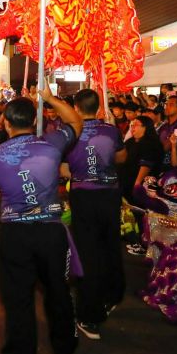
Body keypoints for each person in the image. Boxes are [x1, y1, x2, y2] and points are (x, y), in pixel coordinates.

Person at [0, 87, 82, 354]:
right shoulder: (51, 144)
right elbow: (76, 123)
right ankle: (65, 345)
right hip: (50, 231)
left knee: (18, 301)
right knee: (58, 292)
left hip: (16, 233)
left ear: (6, 123)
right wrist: (51, 99)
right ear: (34, 119)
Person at [64, 89, 126, 340]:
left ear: (77, 108)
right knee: (110, 245)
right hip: (109, 195)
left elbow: (65, 169)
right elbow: (121, 157)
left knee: (87, 252)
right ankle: (112, 294)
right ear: (98, 107)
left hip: (85, 195)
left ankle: (89, 315)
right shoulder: (111, 130)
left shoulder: (71, 133)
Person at [119, 115, 164, 256]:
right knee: (135, 214)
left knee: (145, 215)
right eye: (131, 125)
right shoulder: (131, 142)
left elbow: (146, 164)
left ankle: (147, 245)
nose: (132, 127)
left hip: (142, 185)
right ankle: (139, 241)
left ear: (146, 127)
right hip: (127, 183)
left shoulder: (150, 143)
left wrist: (137, 184)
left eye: (136, 125)